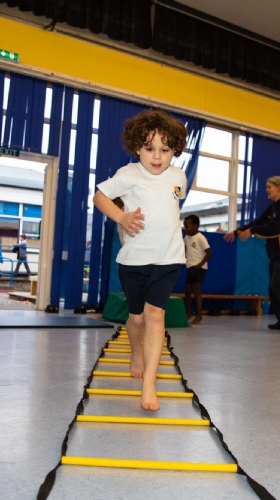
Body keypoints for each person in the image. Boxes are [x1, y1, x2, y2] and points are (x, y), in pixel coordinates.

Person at [93, 109, 187, 412]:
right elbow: (99, 197)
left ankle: (149, 382)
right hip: (134, 260)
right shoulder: (128, 174)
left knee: (155, 315)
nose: (157, 156)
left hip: (168, 257)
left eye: (165, 149)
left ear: (175, 150)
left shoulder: (178, 177)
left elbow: (171, 207)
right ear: (137, 148)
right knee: (136, 318)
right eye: (149, 148)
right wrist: (122, 217)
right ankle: (136, 351)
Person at [224, 176, 280, 334]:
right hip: (275, 253)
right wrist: (238, 231)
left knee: (277, 286)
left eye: (269, 187)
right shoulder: (274, 207)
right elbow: (259, 222)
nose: (266, 190)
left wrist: (252, 231)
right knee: (273, 288)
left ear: (279, 188)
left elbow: (276, 227)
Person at [183, 214, 212, 325]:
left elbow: (209, 253)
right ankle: (188, 313)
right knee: (187, 290)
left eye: (187, 226)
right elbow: (185, 250)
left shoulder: (200, 237)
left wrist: (200, 264)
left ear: (195, 226)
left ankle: (199, 316)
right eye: (184, 226)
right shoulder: (186, 238)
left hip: (199, 268)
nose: (186, 229)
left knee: (196, 290)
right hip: (190, 266)